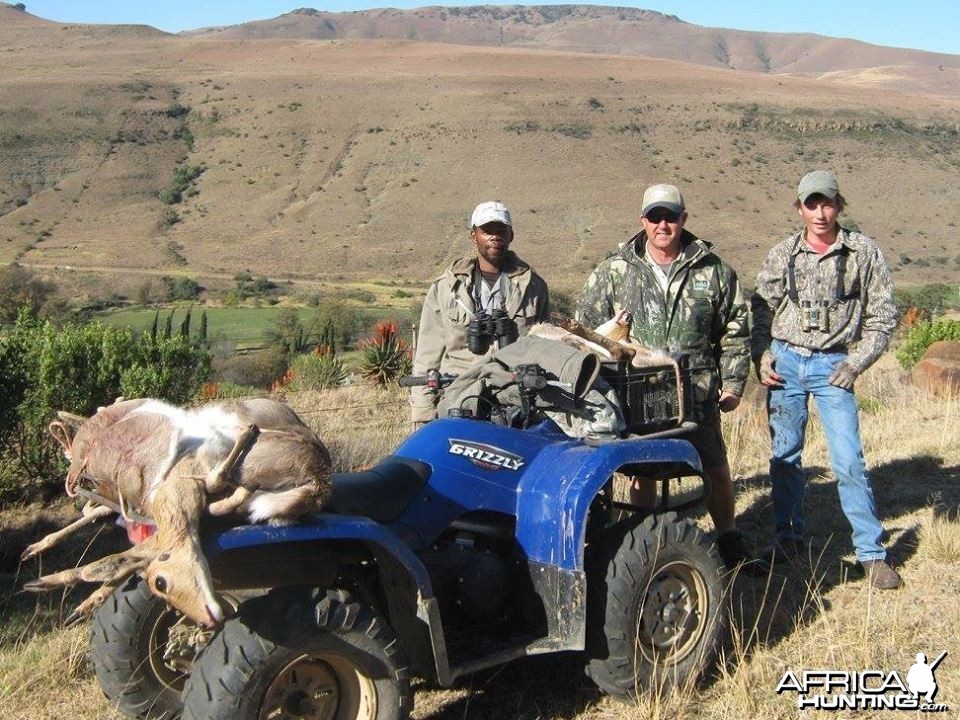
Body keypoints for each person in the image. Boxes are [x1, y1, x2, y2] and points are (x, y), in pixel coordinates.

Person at [577, 183, 762, 572]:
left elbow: (734, 330)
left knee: (713, 464)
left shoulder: (714, 271)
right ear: (642, 220)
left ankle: (728, 538)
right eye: (655, 217)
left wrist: (732, 384)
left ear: (684, 220)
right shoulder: (614, 271)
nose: (663, 225)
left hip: (696, 392)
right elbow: (588, 332)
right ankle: (643, 543)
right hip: (635, 394)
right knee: (642, 469)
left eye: (671, 217)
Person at [751, 170, 901, 590]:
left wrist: (856, 363)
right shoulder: (783, 254)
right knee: (785, 458)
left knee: (848, 460)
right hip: (786, 363)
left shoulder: (862, 253)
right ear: (799, 208)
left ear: (839, 205)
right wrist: (761, 356)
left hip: (834, 365)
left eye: (827, 203)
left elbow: (882, 316)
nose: (820, 212)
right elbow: (760, 310)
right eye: (811, 204)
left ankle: (871, 553)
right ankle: (789, 541)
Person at [409, 200, 550, 425]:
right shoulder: (446, 288)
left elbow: (544, 346)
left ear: (511, 235)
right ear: (473, 236)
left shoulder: (534, 287)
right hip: (457, 398)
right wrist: (424, 413)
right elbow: (427, 354)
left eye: (501, 231)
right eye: (487, 231)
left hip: (515, 400)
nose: (495, 237)